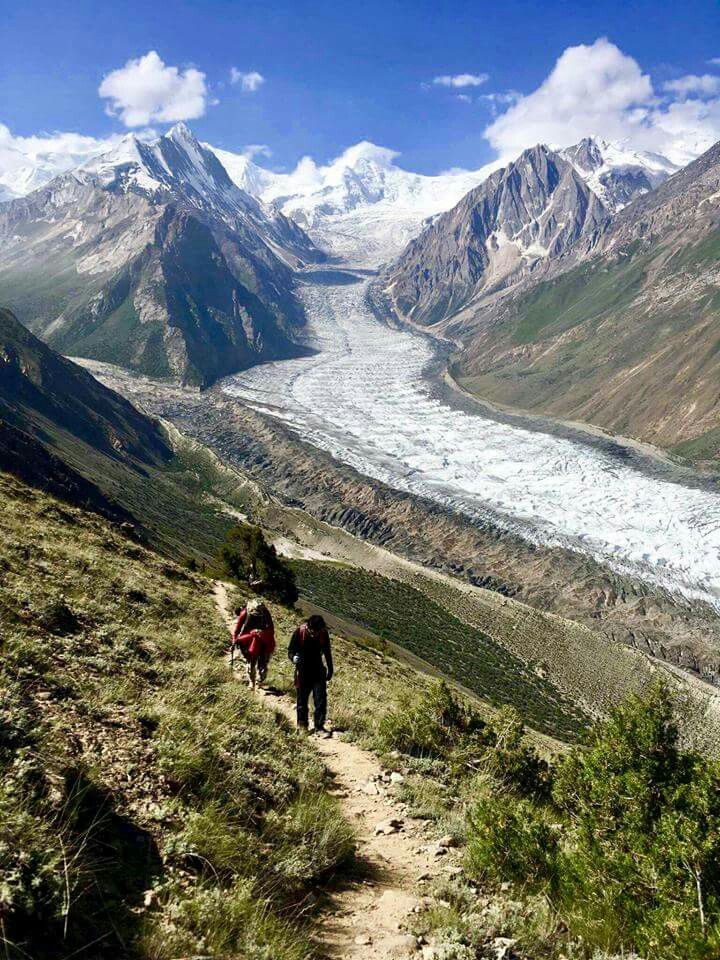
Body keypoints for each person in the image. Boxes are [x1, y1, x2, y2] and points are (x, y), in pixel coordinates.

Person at [288, 614, 334, 735]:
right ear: (308, 627)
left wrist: (330, 669)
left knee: (320, 699)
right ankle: (302, 726)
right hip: (302, 670)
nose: (315, 634)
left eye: (318, 631)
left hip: (318, 670)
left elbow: (327, 651)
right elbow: (291, 650)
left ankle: (319, 727)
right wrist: (293, 658)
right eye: (314, 631)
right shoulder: (299, 632)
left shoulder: (323, 634)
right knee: (302, 700)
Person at [232, 598, 276, 689]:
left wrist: (261, 633)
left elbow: (271, 630)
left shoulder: (266, 614)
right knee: (251, 661)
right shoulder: (245, 613)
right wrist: (234, 641)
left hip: (263, 640)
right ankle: (251, 681)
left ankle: (260, 680)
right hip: (249, 640)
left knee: (263, 662)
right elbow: (237, 630)